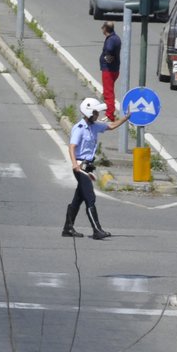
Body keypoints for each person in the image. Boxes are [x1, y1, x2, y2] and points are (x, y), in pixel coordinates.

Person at [65, 97, 129, 240]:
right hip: (81, 167)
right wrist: (75, 164)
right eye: (95, 113)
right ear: (89, 113)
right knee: (90, 198)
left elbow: (111, 126)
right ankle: (96, 230)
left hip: (89, 167)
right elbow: (71, 147)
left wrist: (126, 118)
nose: (98, 115)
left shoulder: (95, 126)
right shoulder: (79, 128)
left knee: (79, 198)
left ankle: (67, 228)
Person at [99, 23, 121, 122]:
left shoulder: (110, 40)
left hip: (109, 70)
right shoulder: (116, 38)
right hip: (114, 69)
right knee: (108, 91)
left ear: (105, 29)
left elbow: (109, 49)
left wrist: (107, 58)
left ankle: (110, 115)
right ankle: (110, 111)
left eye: (102, 28)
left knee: (108, 92)